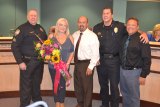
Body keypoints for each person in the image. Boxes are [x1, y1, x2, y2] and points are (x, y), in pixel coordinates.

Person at [93, 7, 148, 107]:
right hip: (101, 61)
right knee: (103, 86)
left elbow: (132, 29)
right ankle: (104, 104)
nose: (105, 15)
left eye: (108, 13)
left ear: (112, 15)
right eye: (104, 13)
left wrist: (144, 34)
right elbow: (92, 44)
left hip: (115, 61)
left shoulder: (120, 26)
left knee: (114, 87)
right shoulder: (97, 27)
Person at [11, 9, 47, 107]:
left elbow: (46, 44)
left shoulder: (41, 29)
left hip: (39, 62)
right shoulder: (21, 29)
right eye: (31, 15)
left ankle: (37, 103)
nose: (33, 17)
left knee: (36, 84)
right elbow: (14, 46)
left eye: (35, 15)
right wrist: (20, 62)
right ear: (27, 16)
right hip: (27, 62)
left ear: (37, 17)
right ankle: (24, 104)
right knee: (26, 87)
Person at [119, 17, 151, 107]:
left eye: (133, 25)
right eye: (129, 24)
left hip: (134, 72)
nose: (130, 26)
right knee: (124, 93)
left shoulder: (142, 39)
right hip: (122, 70)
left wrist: (143, 75)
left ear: (138, 27)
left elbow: (147, 58)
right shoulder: (124, 37)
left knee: (134, 96)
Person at [72, 16, 100, 107]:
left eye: (83, 22)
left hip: (87, 64)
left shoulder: (92, 36)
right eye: (80, 22)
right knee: (78, 85)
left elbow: (96, 53)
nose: (81, 24)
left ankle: (87, 105)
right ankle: (80, 103)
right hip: (77, 63)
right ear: (77, 23)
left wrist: (91, 67)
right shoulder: (75, 34)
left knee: (87, 88)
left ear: (87, 24)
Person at [48, 18, 74, 107]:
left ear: (67, 27)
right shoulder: (51, 36)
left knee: (62, 84)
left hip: (64, 66)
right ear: (57, 25)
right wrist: (50, 59)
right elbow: (47, 51)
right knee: (55, 83)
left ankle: (61, 102)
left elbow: (72, 52)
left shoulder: (70, 37)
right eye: (61, 25)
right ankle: (57, 102)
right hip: (53, 66)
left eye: (65, 25)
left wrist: (68, 63)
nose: (63, 27)